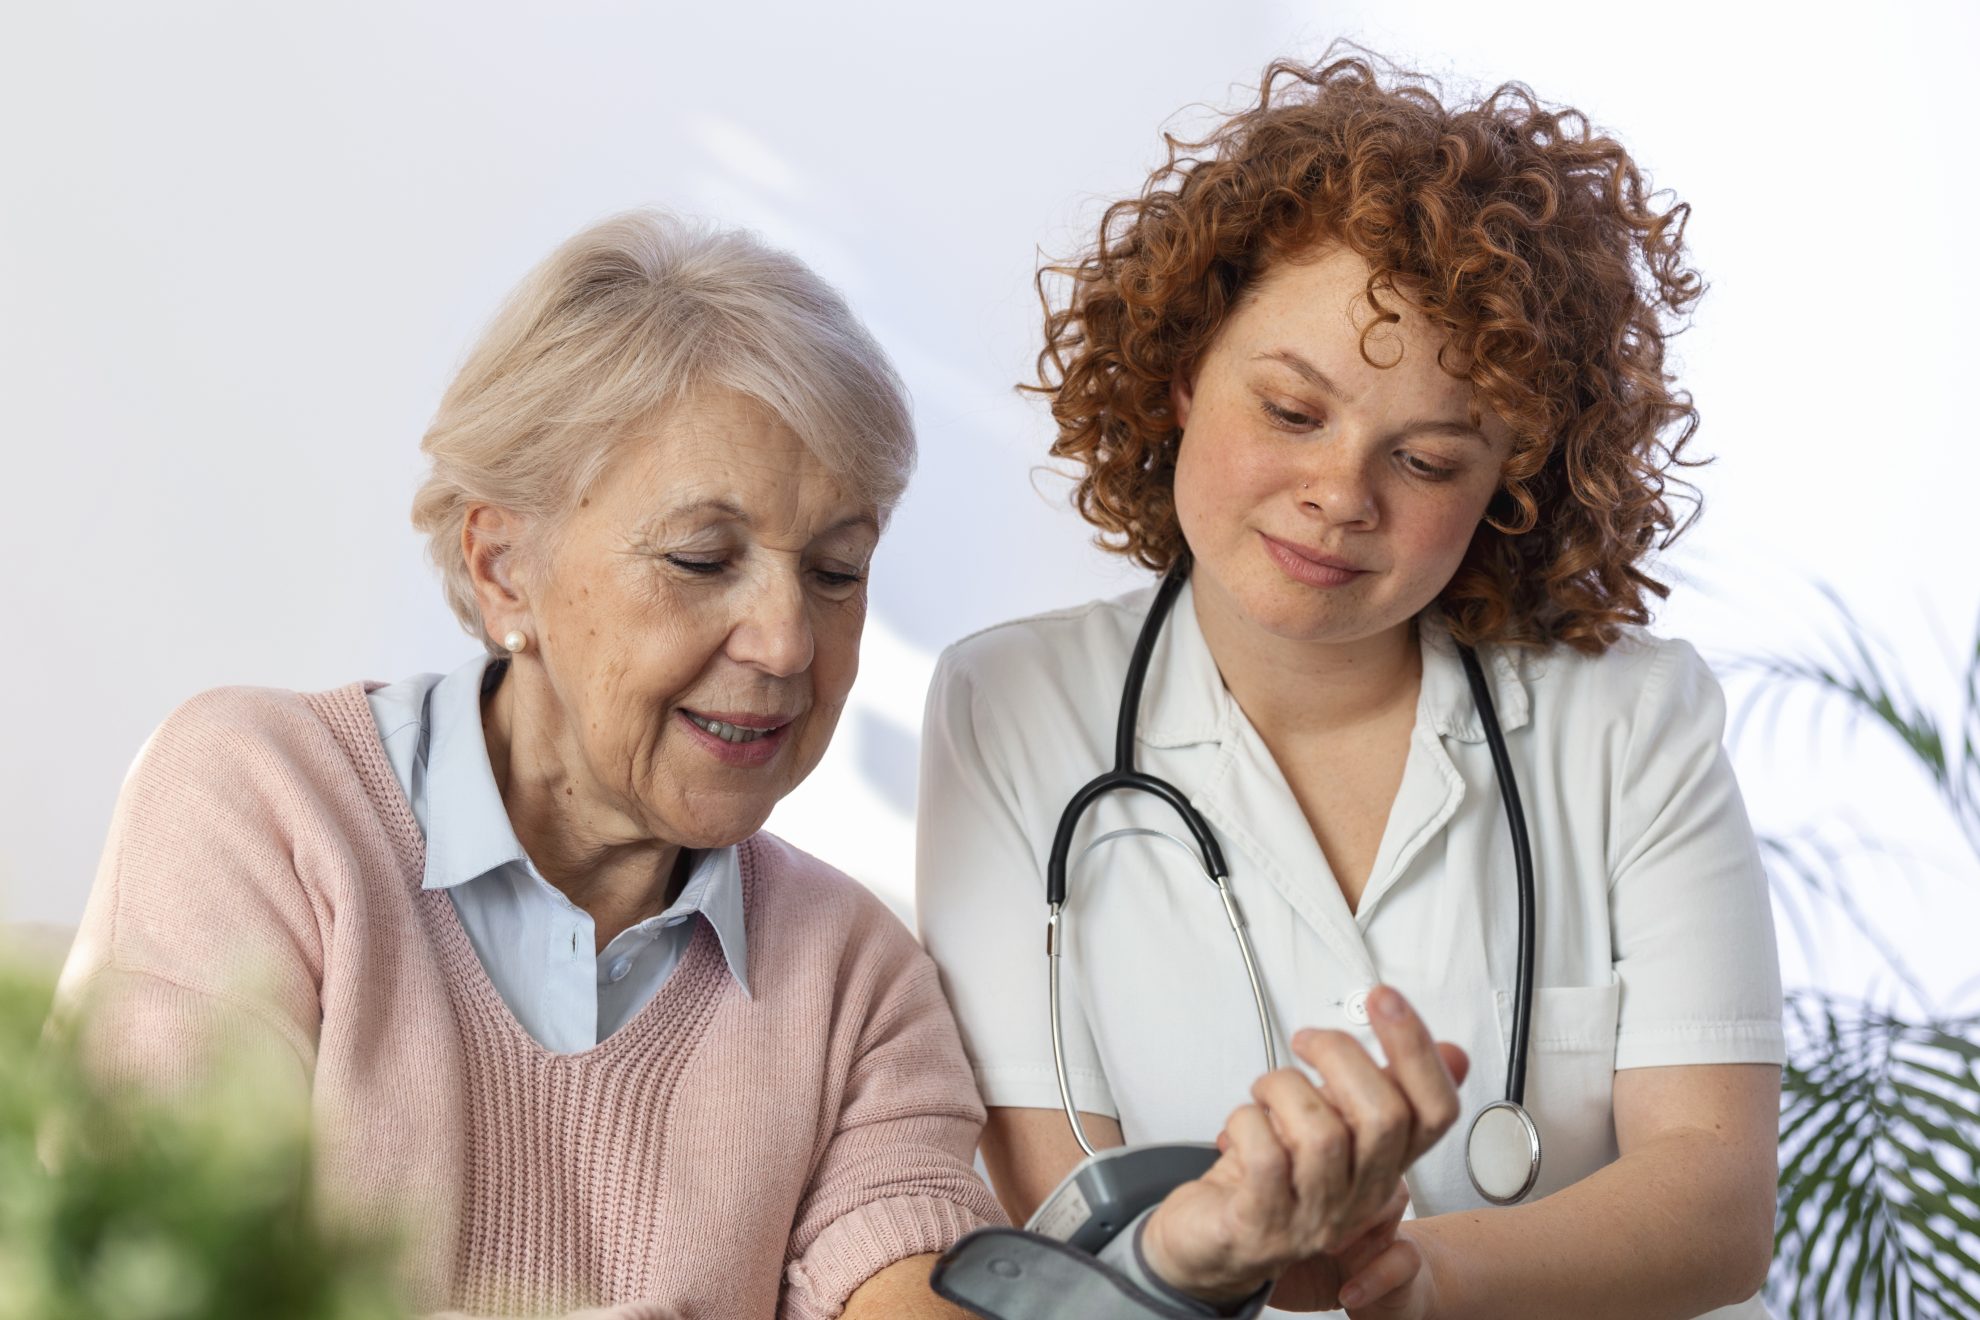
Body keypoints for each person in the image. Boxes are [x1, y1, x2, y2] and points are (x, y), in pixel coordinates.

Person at [916, 51, 1783, 1319]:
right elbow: (1068, 1239)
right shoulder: (1010, 707)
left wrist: (1414, 1282)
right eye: (1289, 410)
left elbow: (1717, 1201)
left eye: (1427, 461)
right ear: (1180, 373)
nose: (1340, 495)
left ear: (1510, 488)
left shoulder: (1631, 720)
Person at [55, 211, 1003, 1319]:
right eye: (703, 558)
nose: (788, 642)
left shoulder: (855, 982)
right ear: (503, 567)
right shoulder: (261, 803)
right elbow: (166, 1283)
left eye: (837, 571)